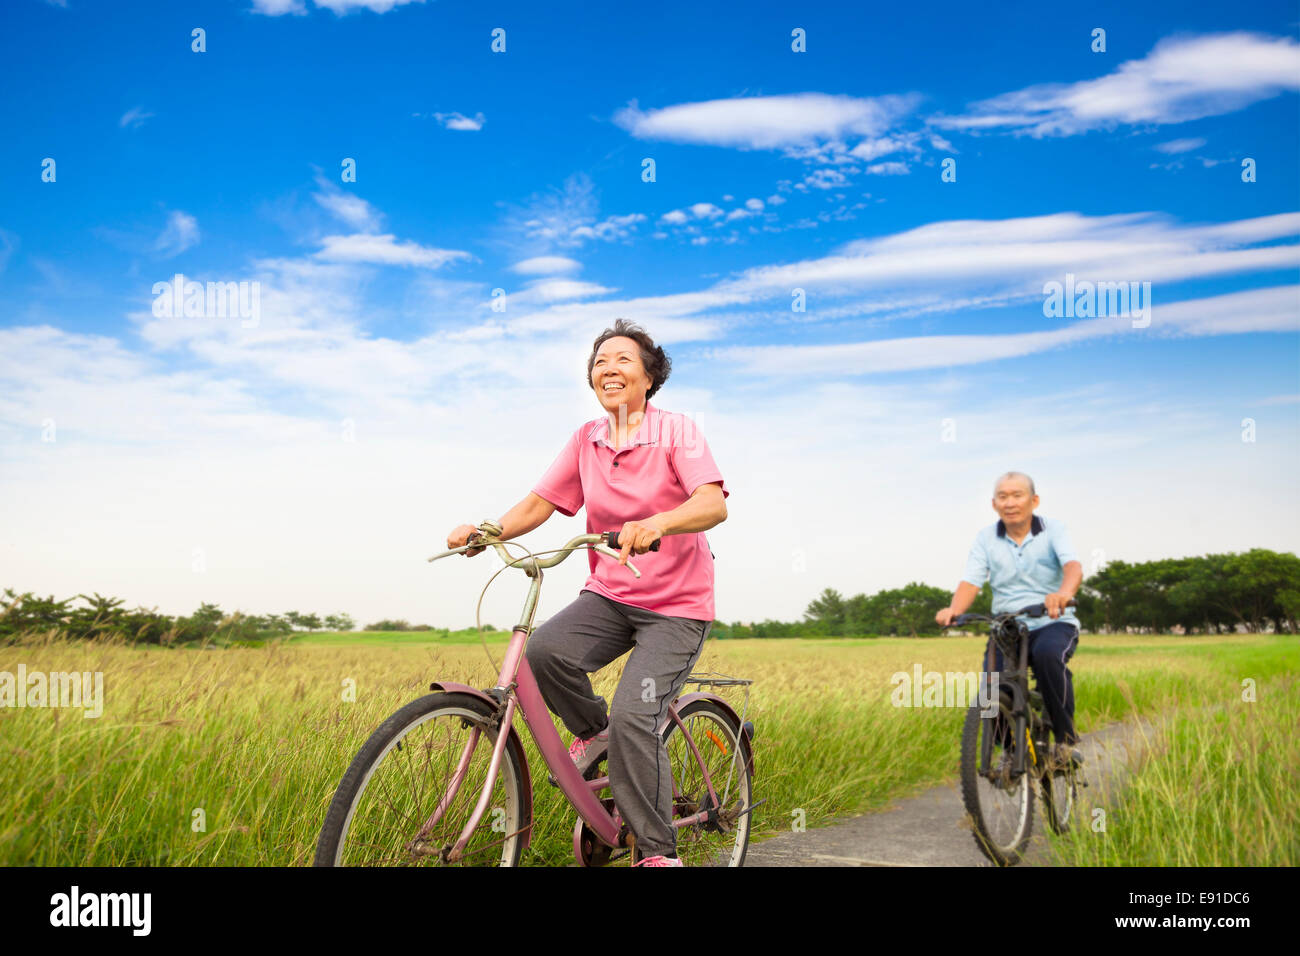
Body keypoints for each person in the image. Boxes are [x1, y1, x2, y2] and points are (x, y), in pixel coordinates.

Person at [445, 318, 728, 867]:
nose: (609, 368)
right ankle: (595, 733)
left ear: (649, 378)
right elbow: (539, 503)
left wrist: (660, 523)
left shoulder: (678, 432)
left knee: (635, 715)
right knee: (544, 653)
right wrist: (487, 531)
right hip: (609, 594)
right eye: (600, 362)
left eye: (623, 359)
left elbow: (712, 503)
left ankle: (657, 851)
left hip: (675, 608)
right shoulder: (586, 439)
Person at [934, 472, 1083, 768]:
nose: (1010, 502)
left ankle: (1066, 741)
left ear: (1034, 500)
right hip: (1007, 626)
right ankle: (1012, 751)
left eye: (1017, 495)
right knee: (992, 689)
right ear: (994, 504)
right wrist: (953, 609)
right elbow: (971, 581)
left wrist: (1063, 594)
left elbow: (1073, 566)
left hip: (1051, 620)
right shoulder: (985, 538)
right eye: (1003, 496)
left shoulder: (1054, 530)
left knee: (1048, 656)